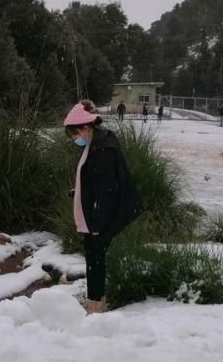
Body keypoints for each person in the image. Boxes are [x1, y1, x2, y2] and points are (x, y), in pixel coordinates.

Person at [63, 100, 142, 314]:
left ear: (86, 127)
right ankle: (97, 302)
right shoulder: (95, 143)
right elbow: (94, 182)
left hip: (103, 218)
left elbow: (106, 190)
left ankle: (96, 307)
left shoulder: (102, 148)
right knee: (94, 260)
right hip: (98, 215)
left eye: (75, 134)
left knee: (95, 261)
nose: (74, 139)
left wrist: (97, 224)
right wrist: (78, 193)